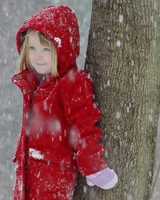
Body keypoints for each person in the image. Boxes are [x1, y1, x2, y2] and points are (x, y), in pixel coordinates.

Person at [11, 5, 118, 200]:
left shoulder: (72, 83)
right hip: (27, 178)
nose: (38, 56)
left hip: (53, 177)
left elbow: (84, 126)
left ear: (62, 49)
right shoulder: (34, 84)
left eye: (46, 49)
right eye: (32, 48)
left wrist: (92, 166)